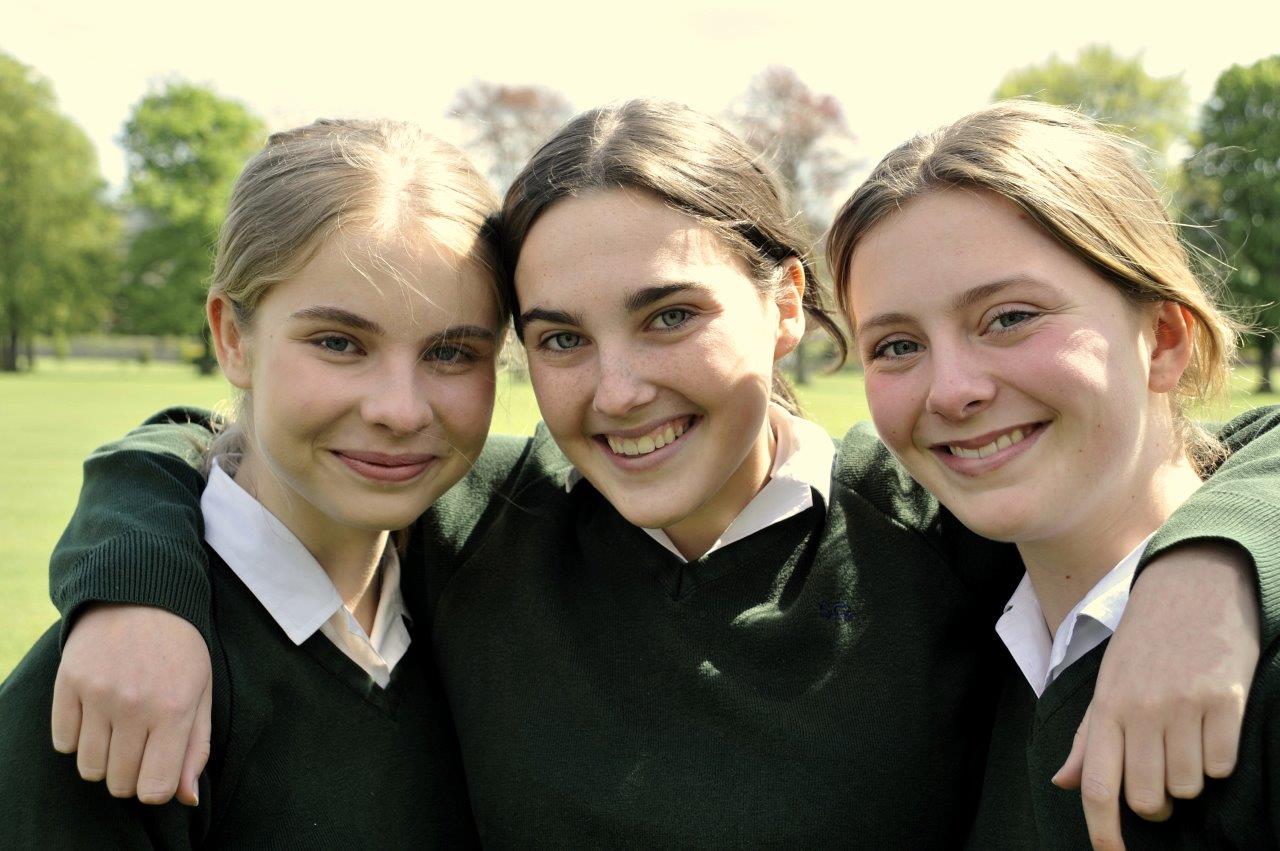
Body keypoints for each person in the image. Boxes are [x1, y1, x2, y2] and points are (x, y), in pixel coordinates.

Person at [34, 101, 1280, 848]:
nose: (616, 389)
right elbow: (220, 445)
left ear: (785, 302)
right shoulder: (475, 522)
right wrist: (136, 564)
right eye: (559, 338)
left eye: (669, 314)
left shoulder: (940, 523)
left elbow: (1233, 450)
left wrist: (1207, 566)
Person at [0, 118, 505, 846]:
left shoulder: (490, 578)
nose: (399, 409)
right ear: (233, 338)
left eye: (452, 352)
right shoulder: (116, 688)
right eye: (338, 342)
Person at [829, 99, 1280, 848]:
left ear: (1164, 340)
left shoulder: (1258, 679)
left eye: (1009, 317)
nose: (951, 390)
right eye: (896, 346)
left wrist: (1212, 565)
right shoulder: (949, 607)